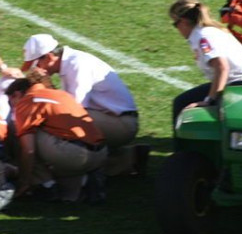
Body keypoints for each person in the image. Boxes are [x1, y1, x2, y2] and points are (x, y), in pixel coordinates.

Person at [21, 34, 148, 177]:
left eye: (36, 65)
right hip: (113, 118)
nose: (36, 71)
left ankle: (83, 169)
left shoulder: (77, 65)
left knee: (57, 123)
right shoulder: (70, 63)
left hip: (121, 124)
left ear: (49, 57)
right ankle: (128, 157)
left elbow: (75, 109)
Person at [5, 78, 108, 203]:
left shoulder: (28, 100)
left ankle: (45, 184)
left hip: (75, 154)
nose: (13, 109)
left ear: (16, 94)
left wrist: (24, 181)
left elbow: (29, 150)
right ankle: (86, 181)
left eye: (11, 103)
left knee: (18, 130)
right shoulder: (62, 94)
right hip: (100, 152)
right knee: (68, 196)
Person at [169, 0, 242, 125]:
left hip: (240, 84)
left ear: (184, 21)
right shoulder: (209, 31)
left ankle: (182, 143)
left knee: (181, 103)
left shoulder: (203, 37)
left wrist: (210, 100)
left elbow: (222, 67)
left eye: (175, 24)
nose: (177, 29)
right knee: (183, 100)